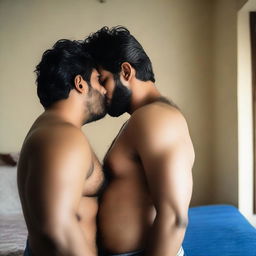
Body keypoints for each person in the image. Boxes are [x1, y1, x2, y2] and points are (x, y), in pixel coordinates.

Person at [84, 26, 195, 256]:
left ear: (126, 71)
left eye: (103, 80)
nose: (101, 92)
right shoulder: (143, 118)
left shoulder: (157, 119)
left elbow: (174, 218)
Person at [17, 39, 107, 256]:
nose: (104, 90)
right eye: (98, 80)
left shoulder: (48, 128)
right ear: (80, 83)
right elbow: (58, 227)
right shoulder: (64, 138)